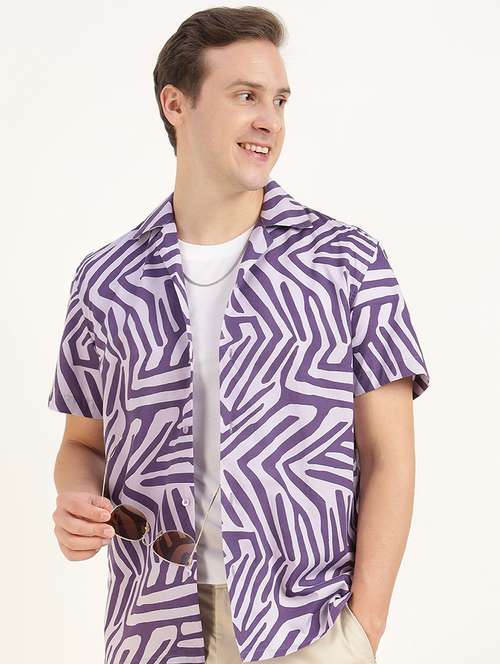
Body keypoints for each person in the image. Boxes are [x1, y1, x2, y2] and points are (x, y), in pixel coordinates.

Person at [49, 6, 430, 664]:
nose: (270, 121)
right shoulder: (106, 279)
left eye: (279, 100)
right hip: (152, 629)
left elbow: (389, 458)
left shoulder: (348, 263)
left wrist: (361, 631)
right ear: (177, 104)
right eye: (246, 95)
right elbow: (83, 444)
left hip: (302, 627)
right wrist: (76, 498)